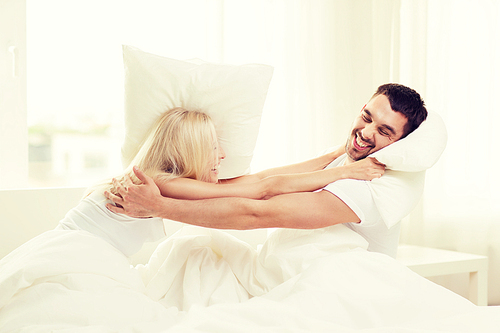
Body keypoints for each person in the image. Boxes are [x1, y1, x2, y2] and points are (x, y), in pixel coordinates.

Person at [105, 84, 428, 258]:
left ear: (401, 144)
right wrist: (338, 158)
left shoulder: (366, 185)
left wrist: (159, 207)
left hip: (344, 282)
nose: (367, 132)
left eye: (385, 132)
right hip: (289, 268)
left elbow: (256, 213)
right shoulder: (340, 161)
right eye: (366, 117)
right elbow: (263, 182)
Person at [57, 107, 384, 257]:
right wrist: (344, 172)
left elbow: (262, 177)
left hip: (78, 249)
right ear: (190, 151)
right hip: (74, 254)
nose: (222, 154)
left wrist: (335, 155)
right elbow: (263, 190)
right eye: (213, 147)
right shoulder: (161, 184)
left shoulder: (168, 182)